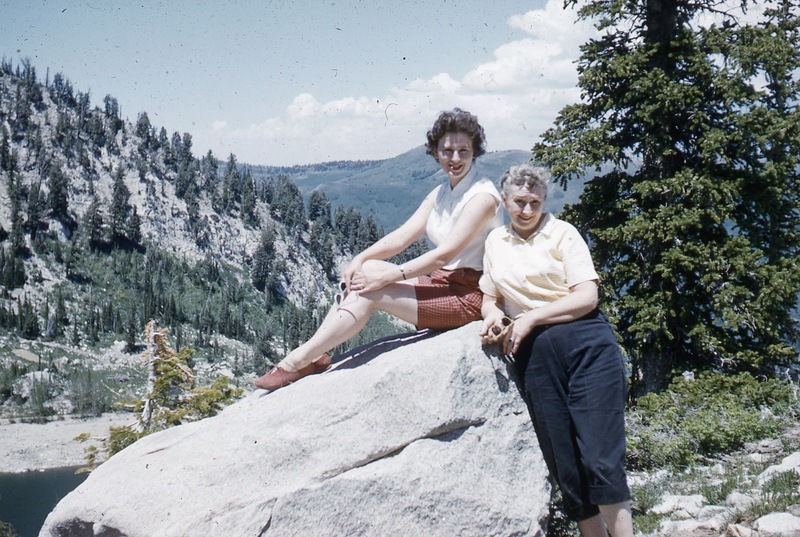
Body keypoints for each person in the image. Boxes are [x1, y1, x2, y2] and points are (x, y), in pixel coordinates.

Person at [255, 108, 503, 391]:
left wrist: (389, 276)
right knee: (365, 271)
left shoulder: (482, 197)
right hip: (442, 283)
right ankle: (316, 354)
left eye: (463, 151)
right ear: (436, 152)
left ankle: (296, 360)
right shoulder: (442, 192)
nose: (455, 158)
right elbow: (402, 237)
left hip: (468, 295)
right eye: (447, 150)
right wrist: (360, 258)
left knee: (371, 291)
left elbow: (444, 254)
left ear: (475, 152)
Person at [479, 164, 633, 537]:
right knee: (567, 465)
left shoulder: (563, 234)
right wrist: (493, 316)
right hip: (536, 359)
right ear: (505, 201)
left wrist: (531, 318)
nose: (527, 210)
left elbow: (586, 296)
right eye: (519, 202)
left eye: (535, 202)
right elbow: (490, 296)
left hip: (587, 346)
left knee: (601, 460)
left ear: (545, 200)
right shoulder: (496, 242)